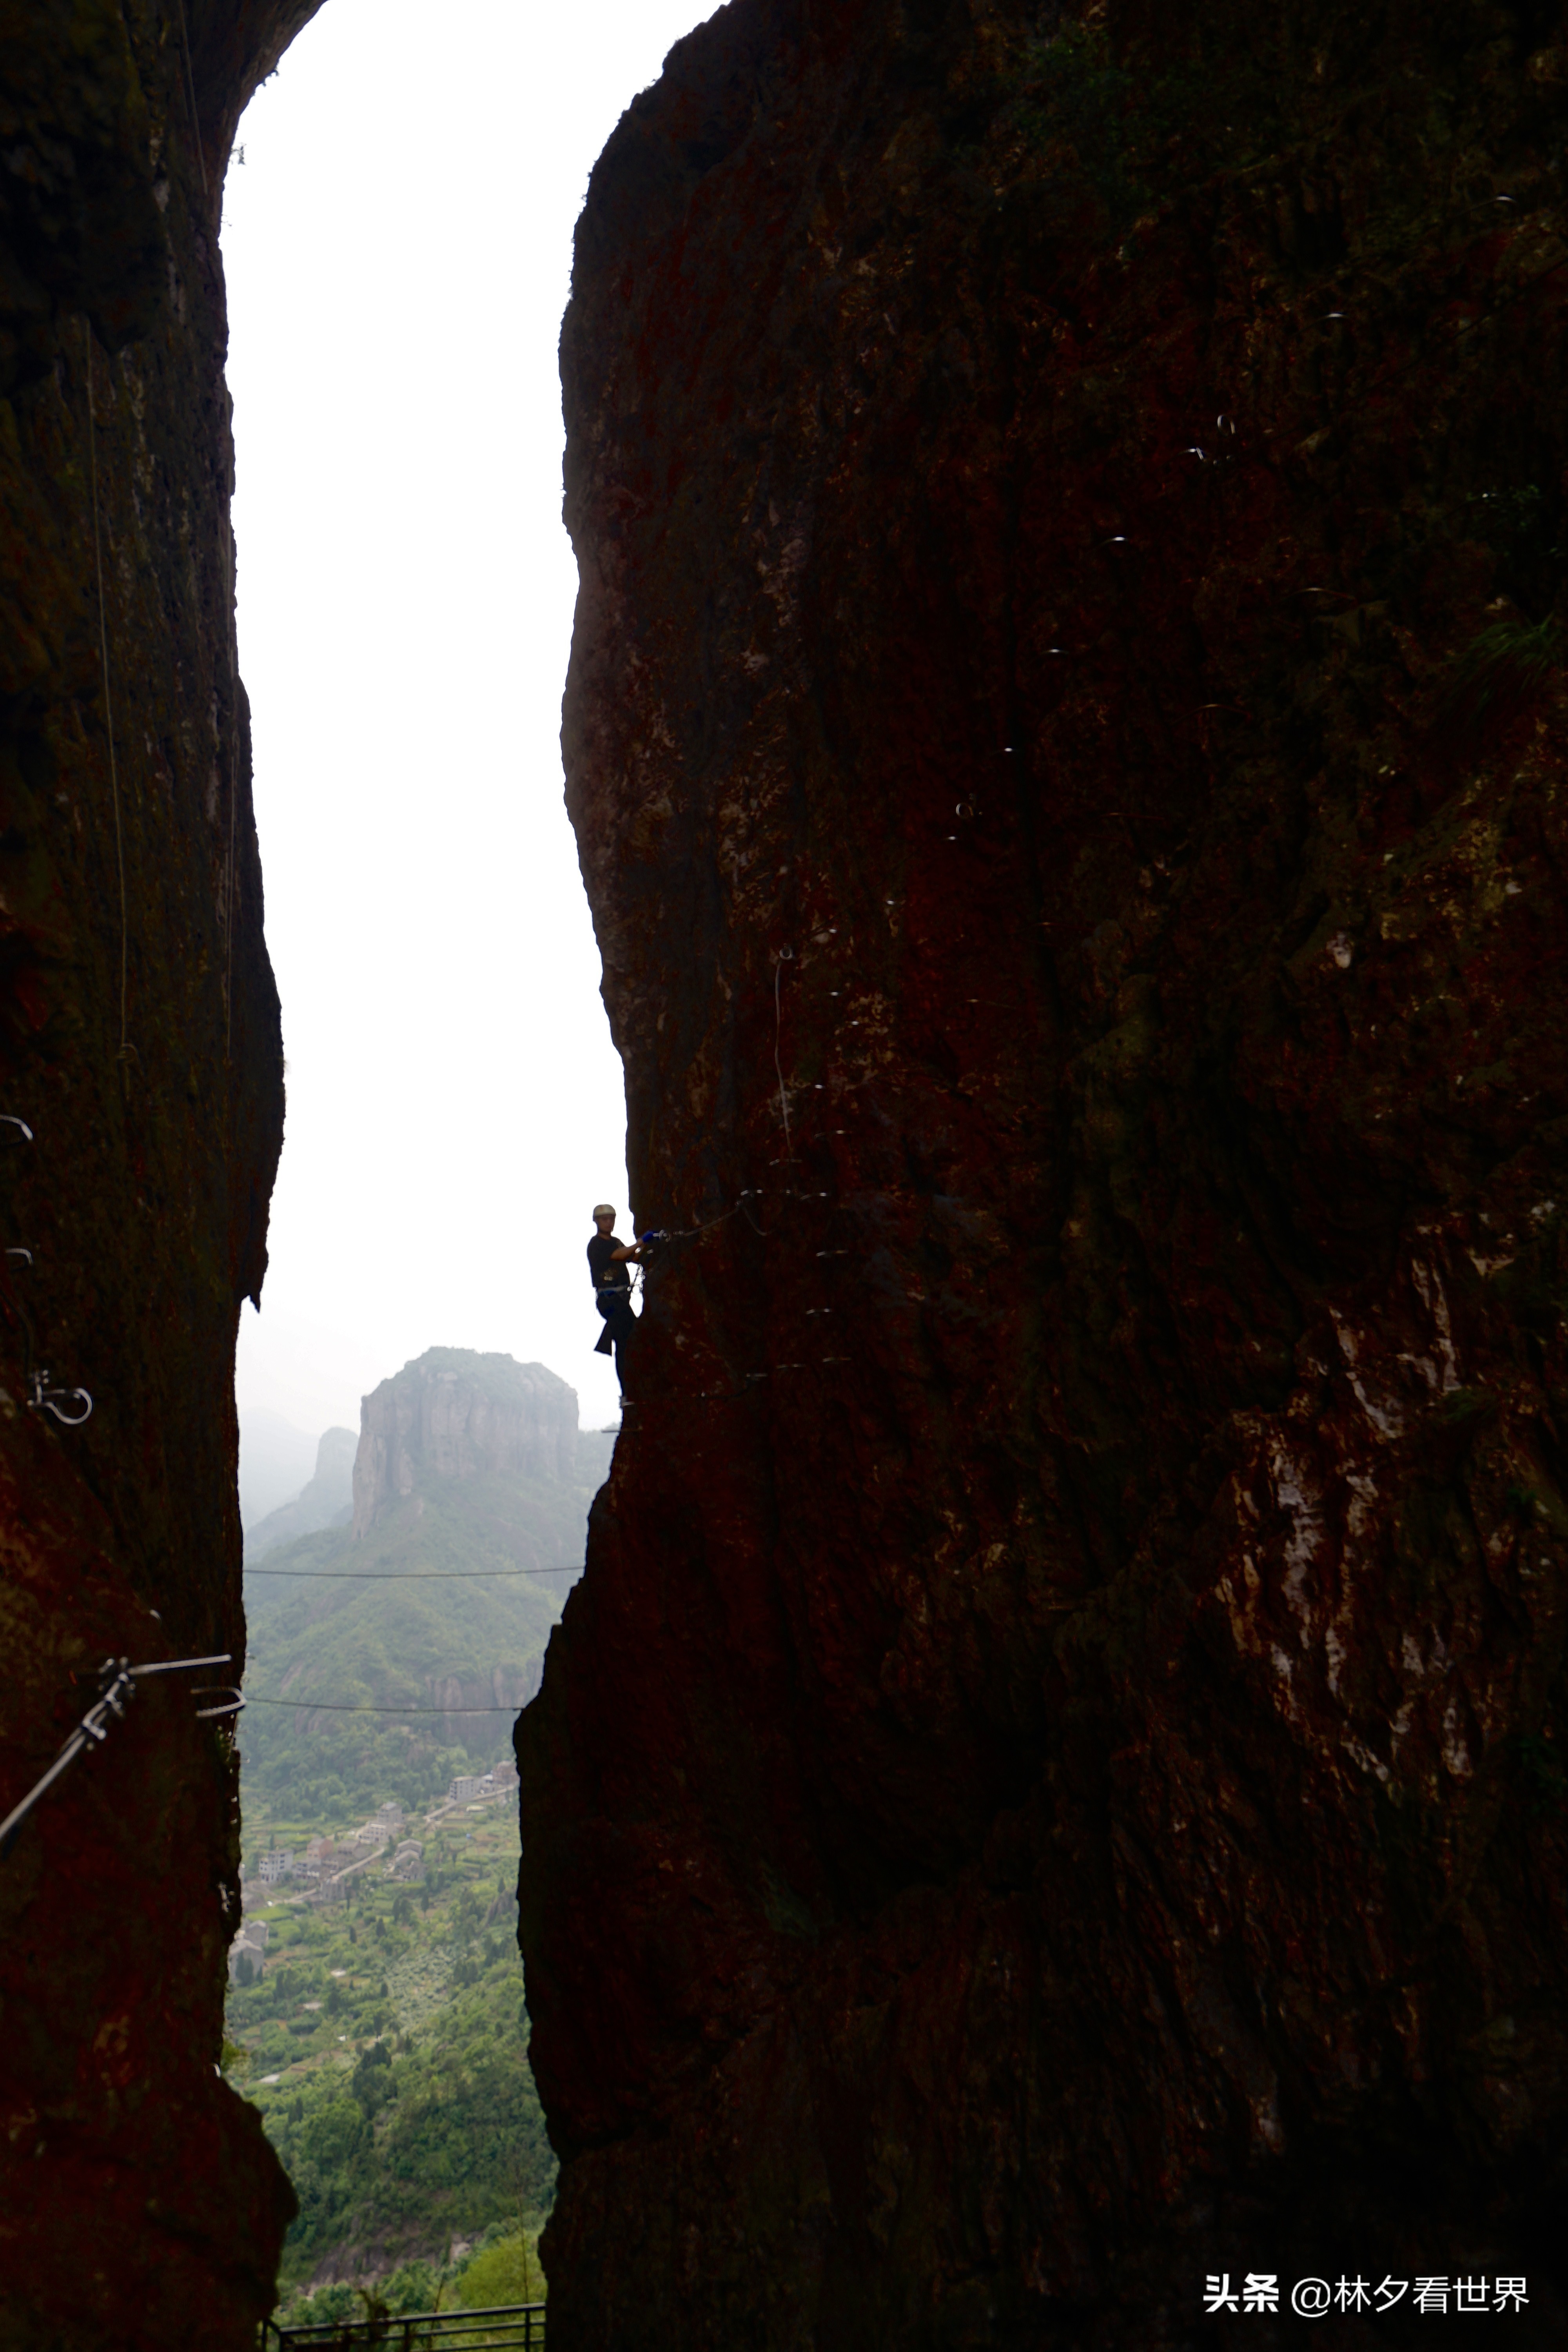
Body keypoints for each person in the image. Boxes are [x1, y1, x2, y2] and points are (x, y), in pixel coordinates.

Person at [587, 1204, 648, 1389]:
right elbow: (620, 1255)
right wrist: (640, 1242)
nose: (608, 1222)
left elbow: (633, 1258)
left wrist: (646, 1246)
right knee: (625, 1340)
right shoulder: (596, 1244)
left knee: (627, 1339)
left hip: (620, 1300)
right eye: (604, 1219)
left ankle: (629, 1386)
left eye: (611, 1218)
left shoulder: (616, 1241)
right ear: (596, 1222)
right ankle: (627, 1389)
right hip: (609, 1300)